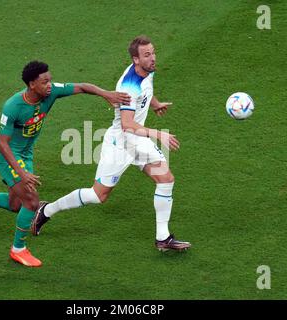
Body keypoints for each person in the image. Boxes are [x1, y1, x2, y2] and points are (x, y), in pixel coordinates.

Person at [0, 61, 131, 267]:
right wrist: (22, 173)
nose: (50, 85)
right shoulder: (13, 106)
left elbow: (82, 87)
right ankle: (18, 249)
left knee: (16, 205)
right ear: (31, 84)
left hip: (25, 154)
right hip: (8, 154)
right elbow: (3, 144)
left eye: (50, 80)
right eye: (44, 81)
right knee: (31, 201)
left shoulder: (51, 92)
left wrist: (106, 94)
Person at [32, 36, 191, 252]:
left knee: (165, 179)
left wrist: (154, 104)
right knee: (98, 195)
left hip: (138, 141)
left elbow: (146, 90)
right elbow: (126, 124)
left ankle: (163, 238)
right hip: (122, 142)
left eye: (153, 53)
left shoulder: (146, 70)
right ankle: (46, 210)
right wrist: (157, 134)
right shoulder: (128, 87)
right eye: (147, 55)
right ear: (136, 60)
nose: (153, 58)